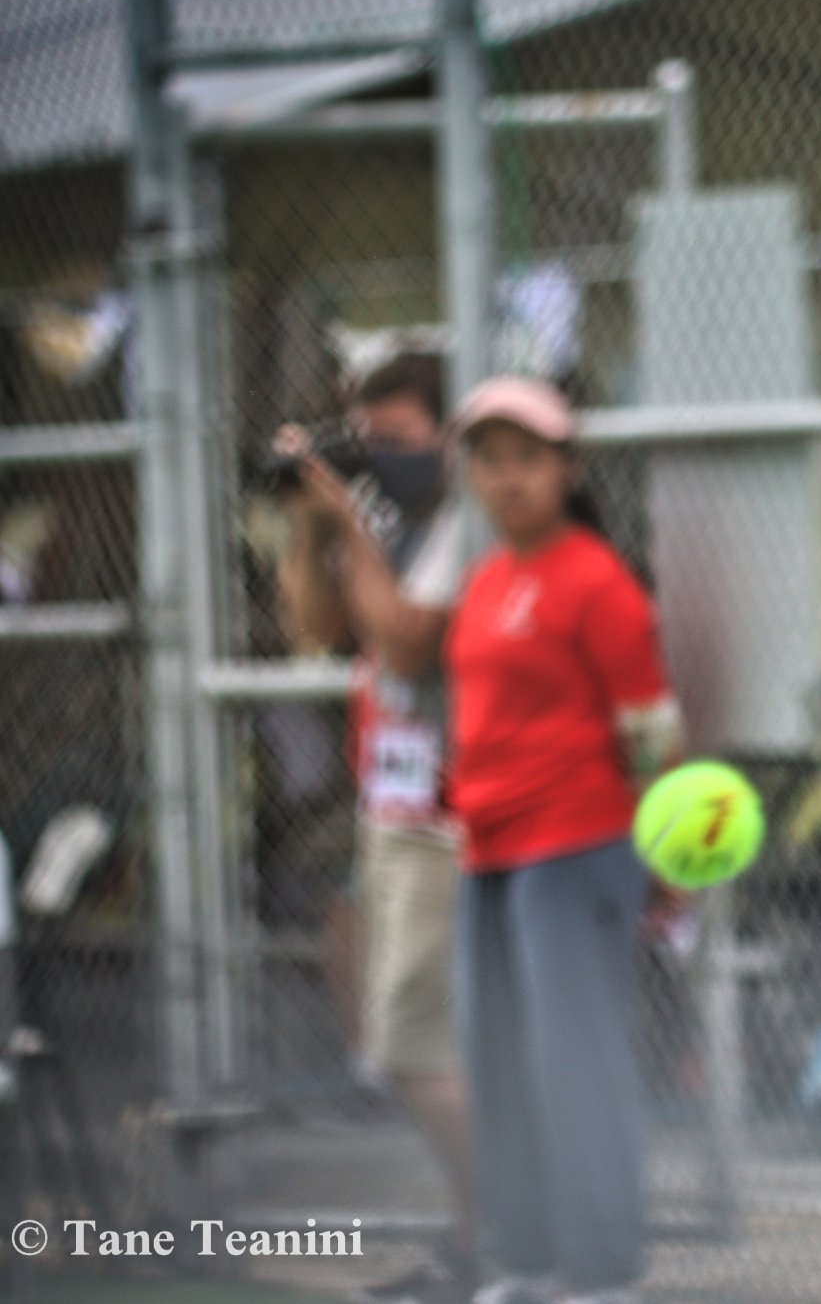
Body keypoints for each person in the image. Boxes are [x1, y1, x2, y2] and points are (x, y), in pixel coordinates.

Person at [442, 377, 682, 1304]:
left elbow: (651, 728)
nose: (506, 478)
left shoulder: (596, 578)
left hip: (578, 844)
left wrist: (666, 858)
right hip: (487, 851)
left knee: (576, 1060)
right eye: (489, 460)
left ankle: (604, 1271)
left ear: (568, 468)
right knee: (498, 1060)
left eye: (527, 459)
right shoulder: (486, 578)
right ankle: (528, 1263)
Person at [273, 351, 484, 1304]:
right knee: (416, 1047)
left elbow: (404, 639)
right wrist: (310, 520)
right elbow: (317, 624)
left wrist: (350, 526)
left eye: (399, 439)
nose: (382, 459)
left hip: (450, 814)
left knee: (410, 1047)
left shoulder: (467, 520)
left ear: (447, 434)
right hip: (390, 806)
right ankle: (480, 1241)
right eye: (370, 442)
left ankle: (504, 1236)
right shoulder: (386, 518)